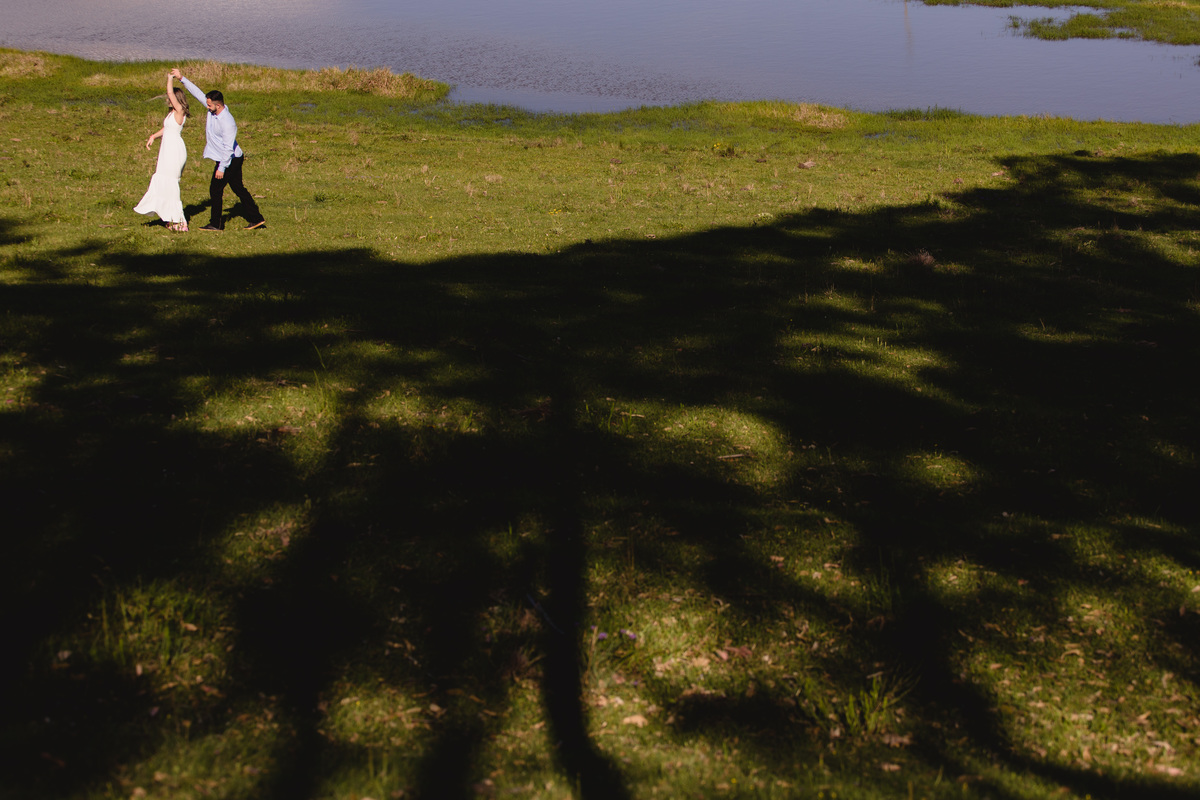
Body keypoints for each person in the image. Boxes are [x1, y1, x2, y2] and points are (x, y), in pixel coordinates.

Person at [171, 67, 266, 231]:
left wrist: (221, 167)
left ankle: (216, 224)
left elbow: (228, 149)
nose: (206, 107)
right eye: (207, 104)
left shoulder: (227, 122)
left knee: (215, 190)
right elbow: (198, 93)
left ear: (218, 105)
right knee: (238, 188)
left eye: (209, 105)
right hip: (229, 158)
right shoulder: (212, 109)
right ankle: (256, 218)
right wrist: (182, 78)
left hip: (230, 159)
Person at [134, 72, 190, 231]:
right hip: (166, 149)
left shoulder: (179, 111)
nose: (168, 100)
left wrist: (169, 79)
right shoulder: (172, 113)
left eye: (171, 99)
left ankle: (180, 222)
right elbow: (167, 129)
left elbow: (170, 92)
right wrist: (153, 136)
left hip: (174, 151)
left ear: (177, 100)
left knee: (171, 183)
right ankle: (170, 217)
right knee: (162, 180)